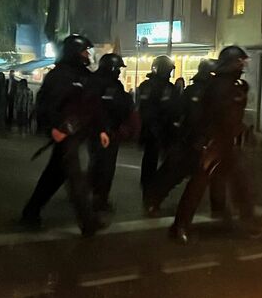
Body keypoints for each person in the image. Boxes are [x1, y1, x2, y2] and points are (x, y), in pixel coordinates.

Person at [170, 46, 262, 243]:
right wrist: (208, 140)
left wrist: (242, 130)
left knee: (240, 181)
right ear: (232, 63)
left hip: (225, 142)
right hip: (213, 143)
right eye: (240, 62)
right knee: (198, 185)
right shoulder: (219, 86)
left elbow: (232, 116)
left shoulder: (230, 84)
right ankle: (180, 227)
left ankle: (248, 221)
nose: (243, 65)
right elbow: (216, 116)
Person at [20, 34, 108, 236]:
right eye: (84, 51)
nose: (88, 55)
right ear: (74, 52)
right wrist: (53, 128)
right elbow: (45, 105)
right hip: (64, 134)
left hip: (78, 133)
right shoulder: (59, 76)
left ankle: (31, 212)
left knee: (54, 175)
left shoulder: (85, 76)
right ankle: (88, 222)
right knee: (76, 178)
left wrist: (101, 128)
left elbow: (94, 105)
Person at [143, 59, 227, 218]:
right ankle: (157, 203)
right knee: (177, 173)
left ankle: (217, 208)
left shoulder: (199, 91)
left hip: (199, 141)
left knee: (210, 175)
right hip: (193, 142)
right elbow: (188, 116)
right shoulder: (199, 92)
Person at [86, 54, 133, 213]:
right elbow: (99, 107)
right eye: (118, 68)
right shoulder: (101, 83)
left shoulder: (106, 83)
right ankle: (99, 198)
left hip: (106, 130)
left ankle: (95, 195)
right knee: (104, 167)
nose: (119, 72)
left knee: (100, 164)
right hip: (104, 131)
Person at [137, 55, 177, 192]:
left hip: (156, 128)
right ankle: (152, 189)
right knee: (155, 160)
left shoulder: (147, 85)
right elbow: (147, 109)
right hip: (158, 129)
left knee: (154, 159)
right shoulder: (161, 87)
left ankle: (150, 186)